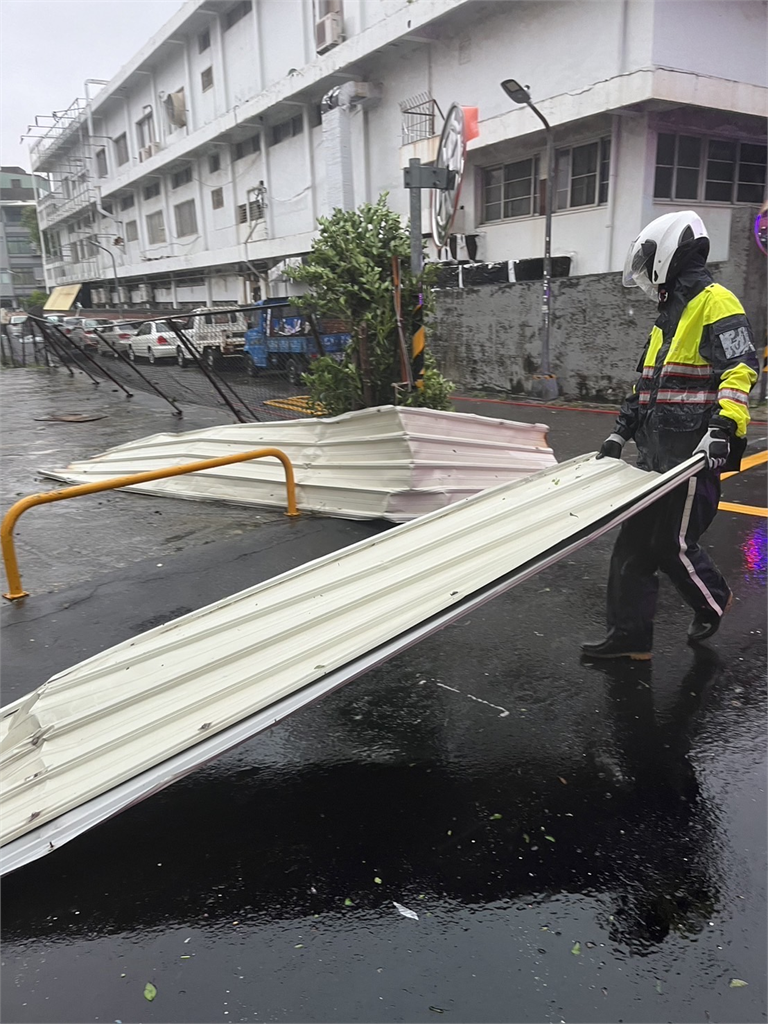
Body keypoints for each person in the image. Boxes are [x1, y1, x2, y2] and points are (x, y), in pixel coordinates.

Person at [582, 210, 759, 661]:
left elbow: (739, 371)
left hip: (695, 455)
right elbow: (646, 384)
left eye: (648, 264)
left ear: (670, 252)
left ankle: (714, 601)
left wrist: (723, 429)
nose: (646, 279)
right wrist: (620, 434)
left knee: (670, 545)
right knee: (632, 545)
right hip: (658, 457)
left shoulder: (717, 302)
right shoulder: (667, 320)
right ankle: (630, 638)